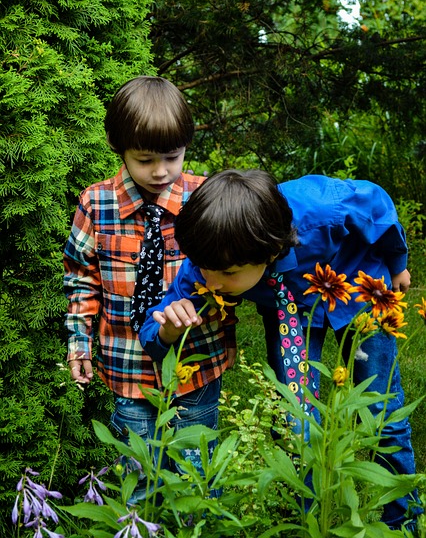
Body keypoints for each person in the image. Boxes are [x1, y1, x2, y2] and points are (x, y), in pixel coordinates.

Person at [140, 168, 422, 534]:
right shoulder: (213, 259)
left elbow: (377, 208)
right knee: (295, 417)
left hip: (361, 290)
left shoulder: (322, 209)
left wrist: (398, 264)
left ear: (270, 251)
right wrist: (168, 329)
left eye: (226, 273)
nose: (211, 283)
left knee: (383, 410)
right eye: (205, 269)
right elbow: (153, 330)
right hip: (289, 311)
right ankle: (304, 521)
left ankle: (404, 520)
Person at [63, 76, 237, 499]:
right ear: (118, 149)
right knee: (138, 481)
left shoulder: (205, 198)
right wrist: (78, 343)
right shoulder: (96, 205)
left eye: (172, 157)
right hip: (130, 371)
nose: (160, 171)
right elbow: (80, 278)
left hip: (196, 365)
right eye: (145, 160)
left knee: (197, 479)